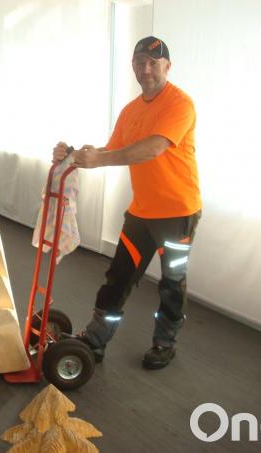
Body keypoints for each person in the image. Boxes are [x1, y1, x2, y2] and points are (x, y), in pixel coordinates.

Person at [53, 36, 202, 370]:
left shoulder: (180, 104)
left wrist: (100, 161)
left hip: (178, 214)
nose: (145, 69)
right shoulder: (132, 110)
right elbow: (111, 150)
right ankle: (95, 340)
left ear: (167, 66)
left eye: (153, 62)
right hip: (141, 213)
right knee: (119, 276)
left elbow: (152, 148)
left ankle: (164, 342)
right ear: (133, 66)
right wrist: (76, 154)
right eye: (139, 62)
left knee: (171, 283)